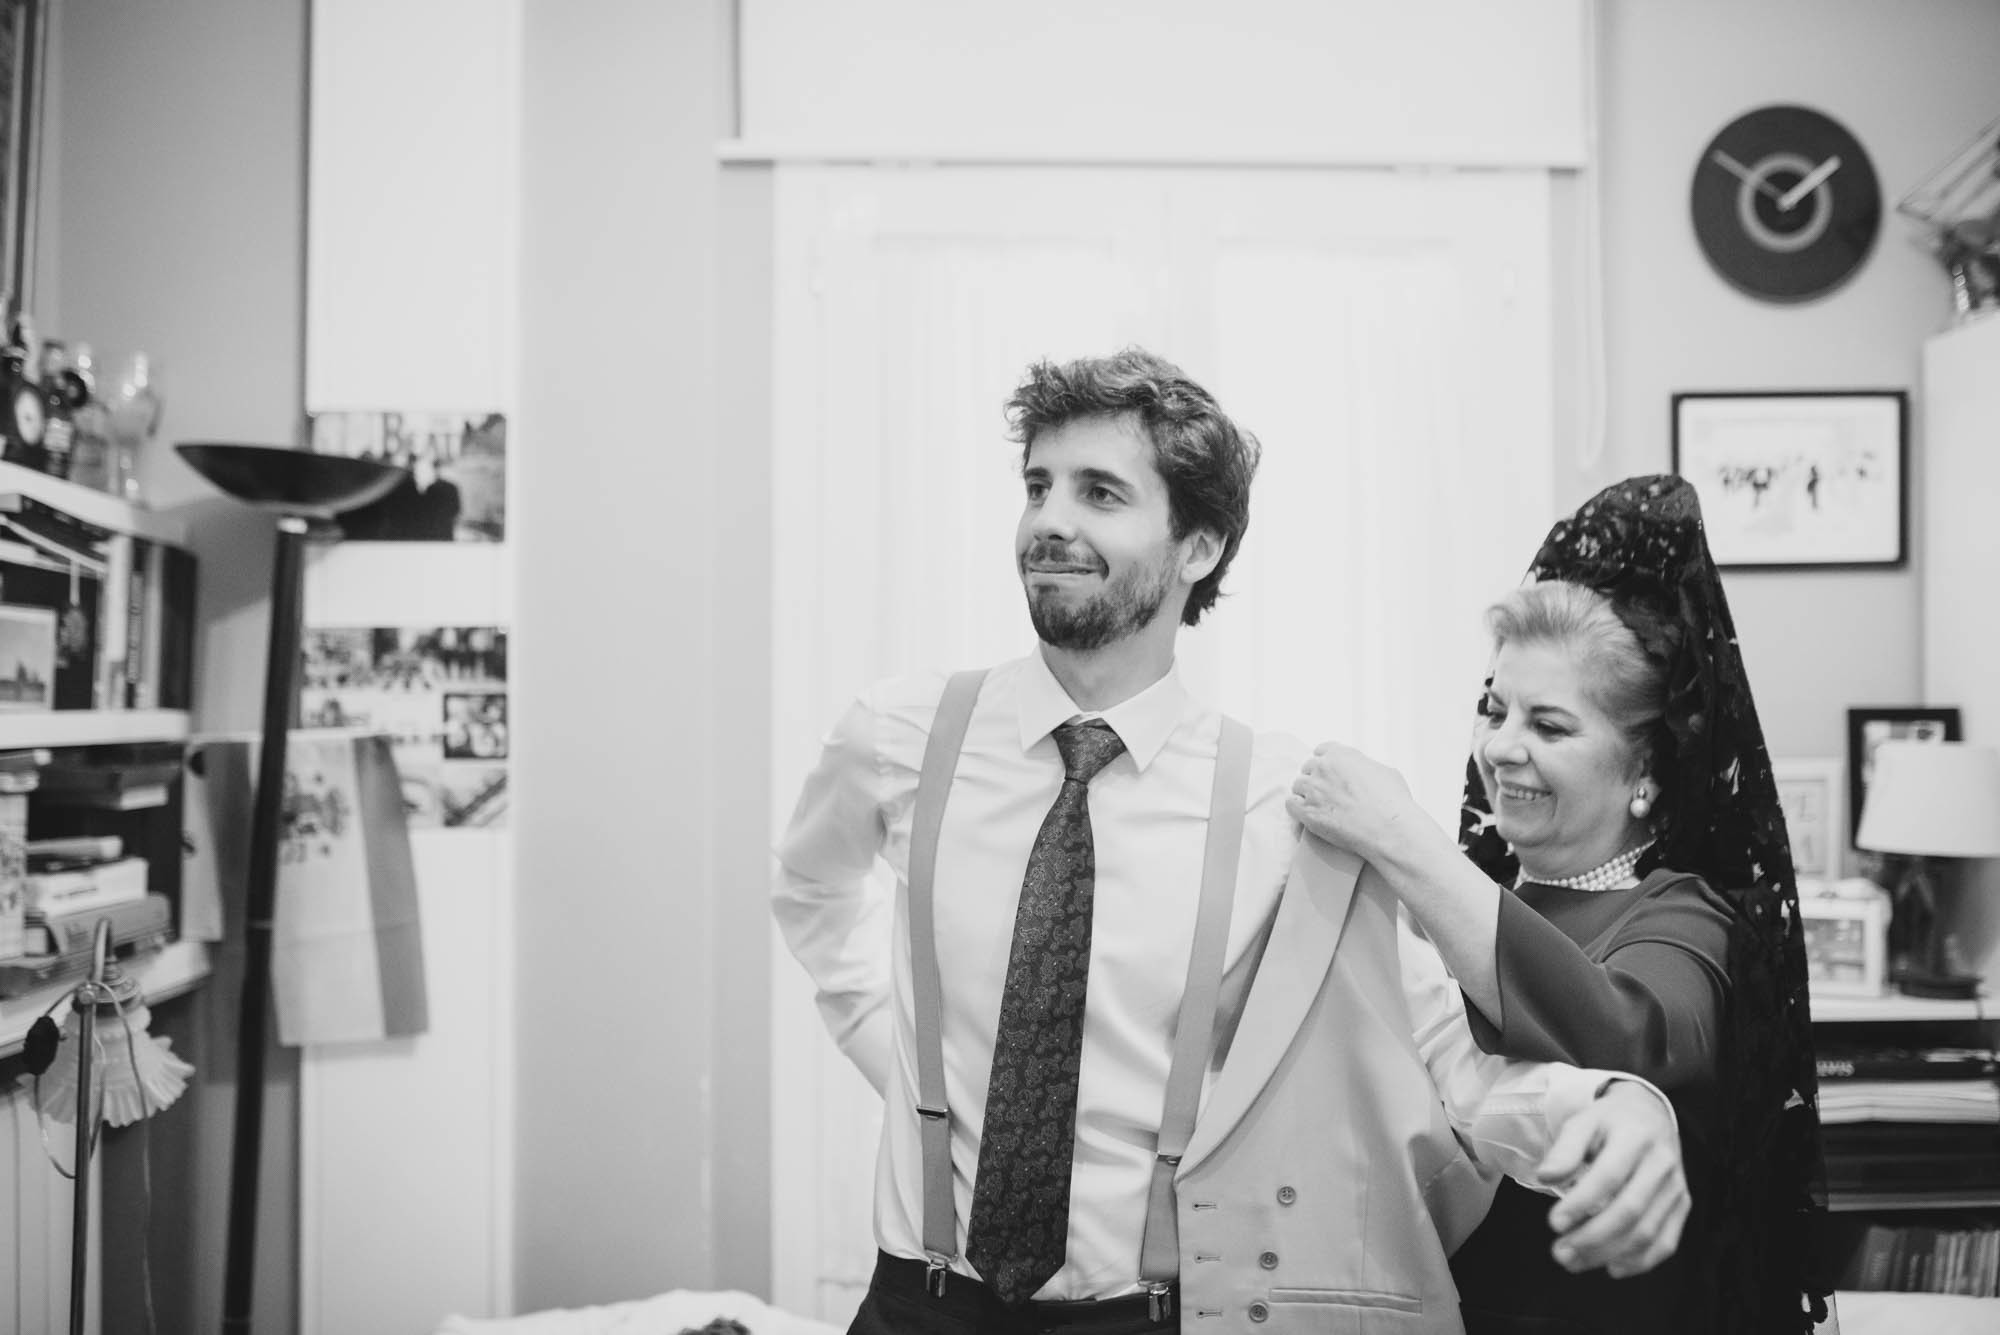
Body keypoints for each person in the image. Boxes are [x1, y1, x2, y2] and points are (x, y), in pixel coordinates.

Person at [774, 353, 1693, 1335]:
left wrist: (1610, 1107)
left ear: (1197, 548)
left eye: (1098, 493)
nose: (1048, 520)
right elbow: (813, 897)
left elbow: (1440, 1054)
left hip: (1147, 1318)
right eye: (1037, 486)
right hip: (914, 1306)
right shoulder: (896, 737)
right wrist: (902, 1069)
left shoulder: (1278, 804)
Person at [1288, 475, 1833, 1334]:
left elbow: (1628, 1038)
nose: (1501, 747)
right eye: (1495, 710)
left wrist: (1406, 838)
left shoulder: (1685, 916)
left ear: (1646, 773)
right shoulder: (1459, 907)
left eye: (1550, 726)